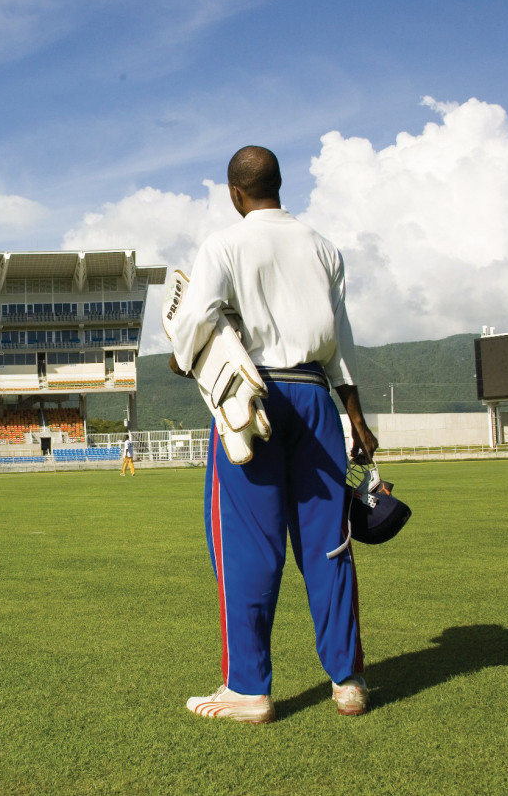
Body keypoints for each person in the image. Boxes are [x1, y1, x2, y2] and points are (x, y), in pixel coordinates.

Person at [168, 146, 379, 724]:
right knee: (328, 542)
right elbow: (342, 337)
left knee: (248, 544)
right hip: (315, 396)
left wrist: (182, 357)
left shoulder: (224, 243)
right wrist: (355, 414)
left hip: (251, 395)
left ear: (235, 194)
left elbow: (192, 320)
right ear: (280, 186)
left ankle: (249, 690)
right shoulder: (322, 246)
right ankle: (348, 681)